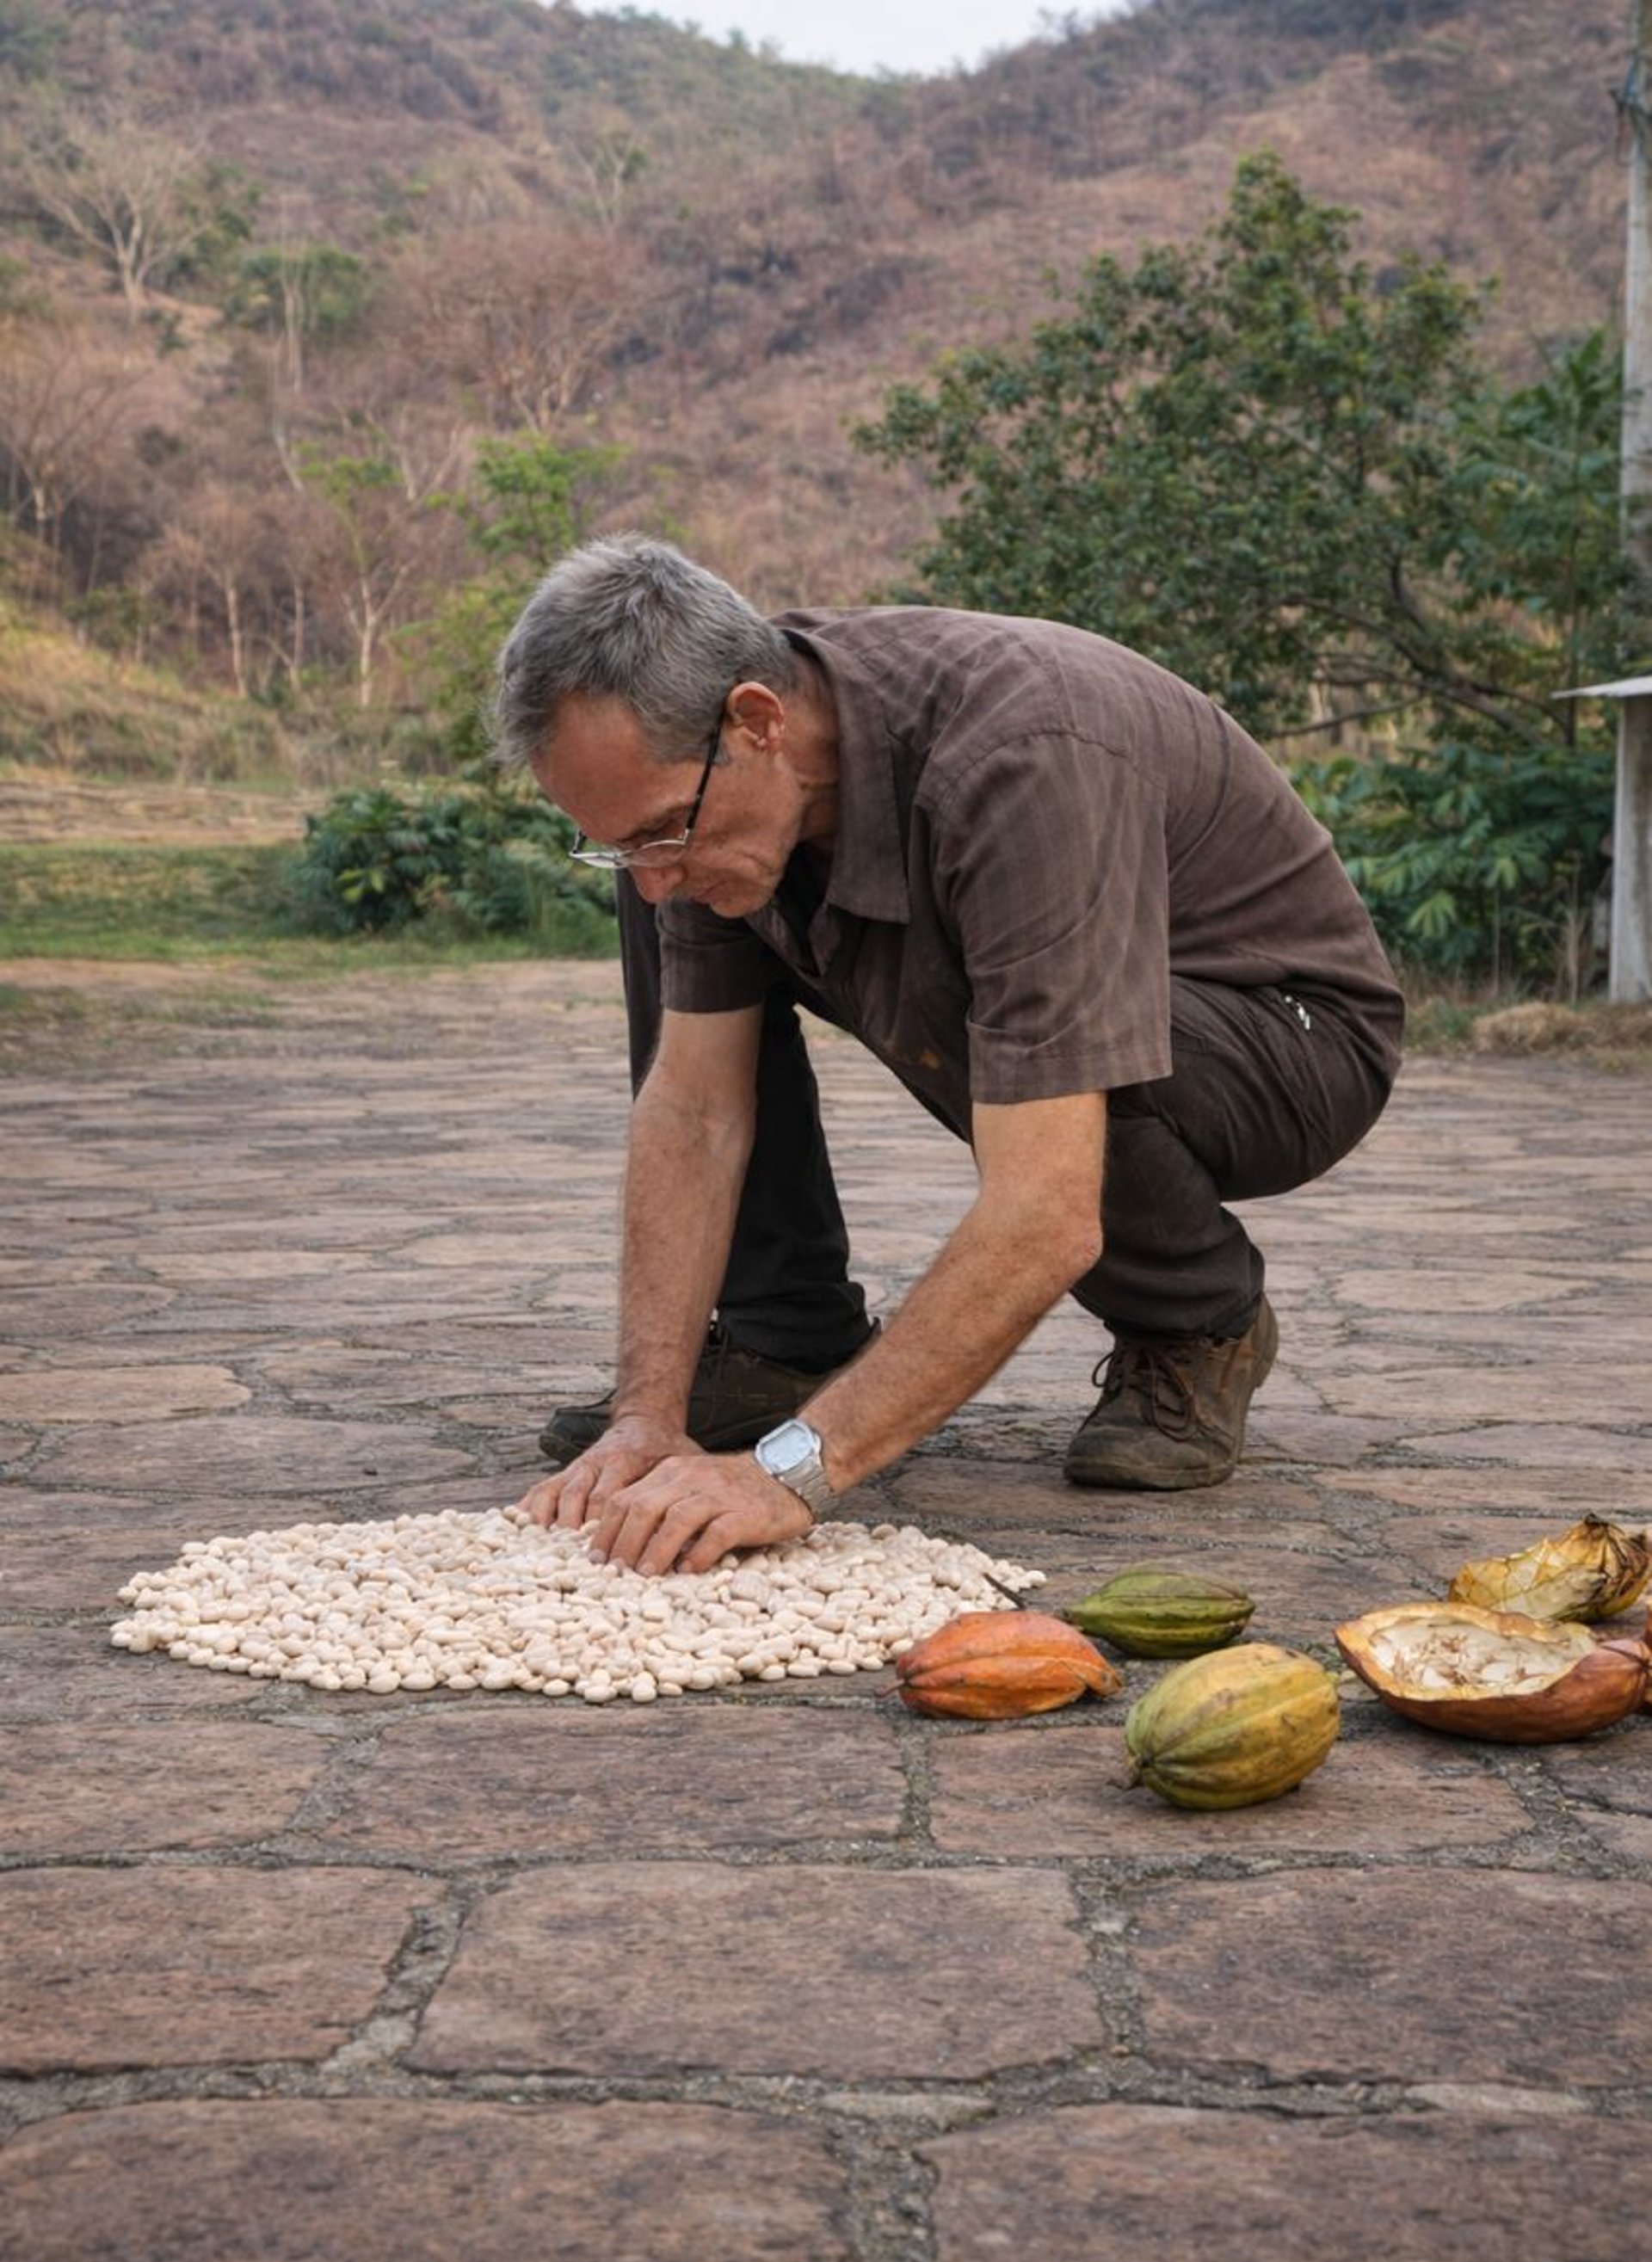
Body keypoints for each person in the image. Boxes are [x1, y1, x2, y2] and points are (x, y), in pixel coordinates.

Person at [497, 534, 1402, 1575]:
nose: (650, 877)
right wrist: (644, 1417)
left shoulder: (1019, 760)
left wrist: (793, 1470)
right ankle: (781, 1337)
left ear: (756, 720)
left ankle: (1197, 1321)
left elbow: (1044, 1205)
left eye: (660, 828)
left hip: (1287, 1036)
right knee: (694, 900)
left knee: (1002, 994)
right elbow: (696, 1106)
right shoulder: (706, 786)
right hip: (1057, 990)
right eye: (616, 840)